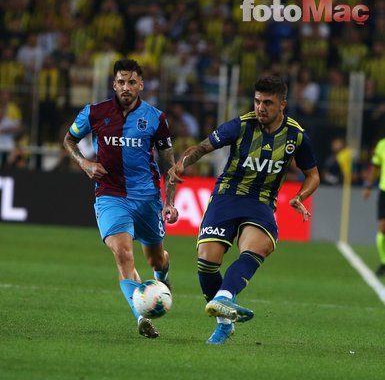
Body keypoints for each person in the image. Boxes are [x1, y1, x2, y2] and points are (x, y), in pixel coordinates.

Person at [169, 76, 320, 344]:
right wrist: (183, 162)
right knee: (206, 262)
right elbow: (203, 146)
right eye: (257, 101)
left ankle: (225, 298)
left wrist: (300, 196)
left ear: (282, 104)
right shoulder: (240, 125)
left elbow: (313, 175)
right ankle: (225, 322)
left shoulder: (296, 136)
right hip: (227, 195)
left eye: (268, 103)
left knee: (257, 248)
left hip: (261, 201)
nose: (261, 107)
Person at [63, 58, 179, 339]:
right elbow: (69, 140)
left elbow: (167, 163)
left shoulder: (156, 118)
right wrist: (84, 163)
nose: (126, 87)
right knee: (123, 254)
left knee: (156, 260)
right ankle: (142, 315)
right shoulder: (94, 113)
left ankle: (162, 280)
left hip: (147, 197)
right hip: (110, 195)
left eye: (131, 82)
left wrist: (170, 201)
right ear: (113, 84)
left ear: (141, 84)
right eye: (120, 82)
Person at [362, 138, 385, 276]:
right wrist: (368, 186)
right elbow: (376, 167)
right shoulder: (382, 144)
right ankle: (384, 261)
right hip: (384, 190)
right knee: (382, 228)